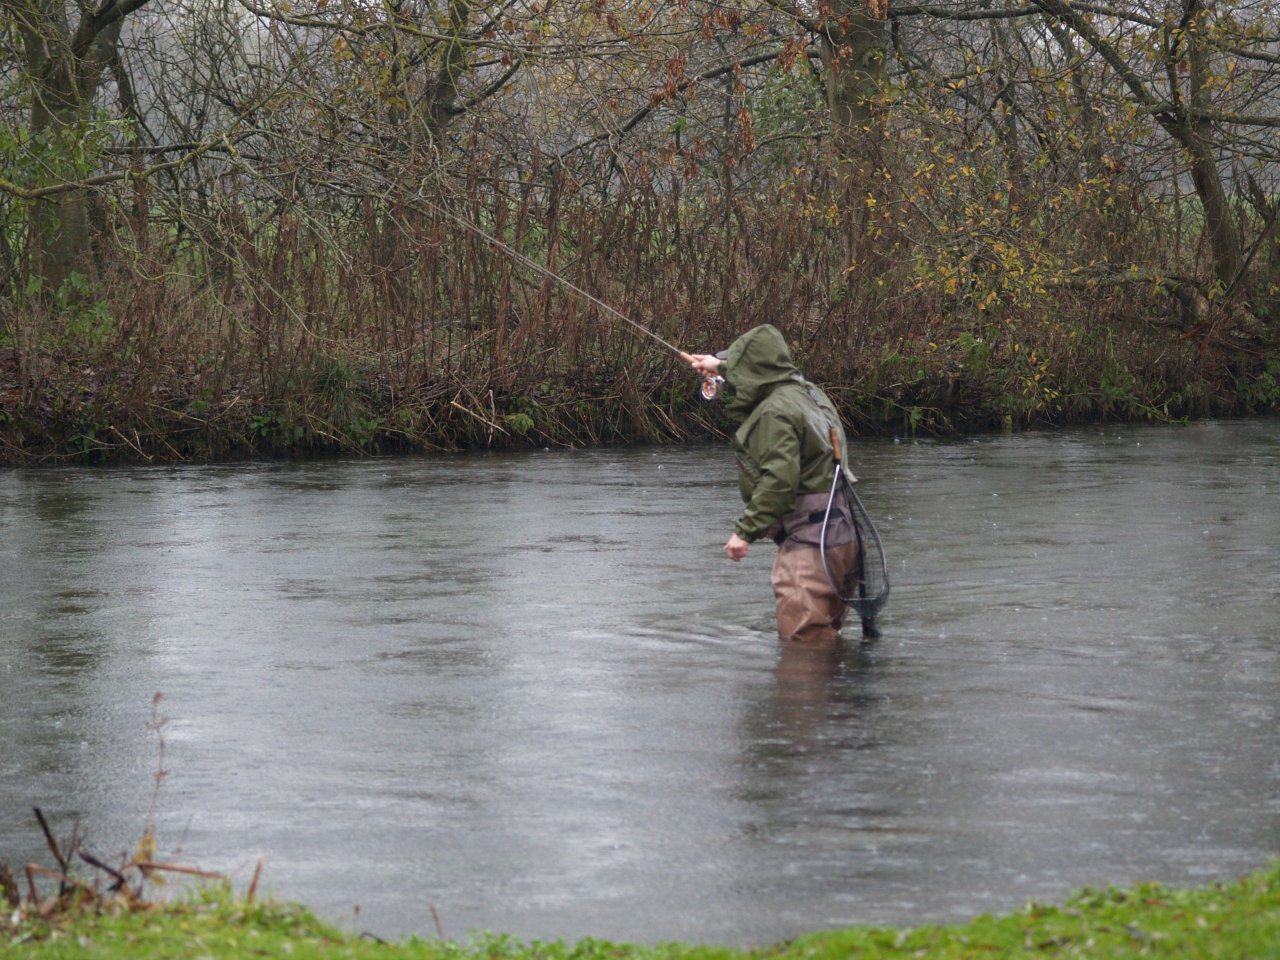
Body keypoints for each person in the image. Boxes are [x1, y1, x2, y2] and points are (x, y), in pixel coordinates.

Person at [689, 323, 874, 644]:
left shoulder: (774, 412)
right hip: (846, 540)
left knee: (803, 664)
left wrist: (744, 532)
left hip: (810, 550)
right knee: (828, 656)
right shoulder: (809, 393)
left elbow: (780, 480)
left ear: (752, 370)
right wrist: (718, 365)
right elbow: (759, 372)